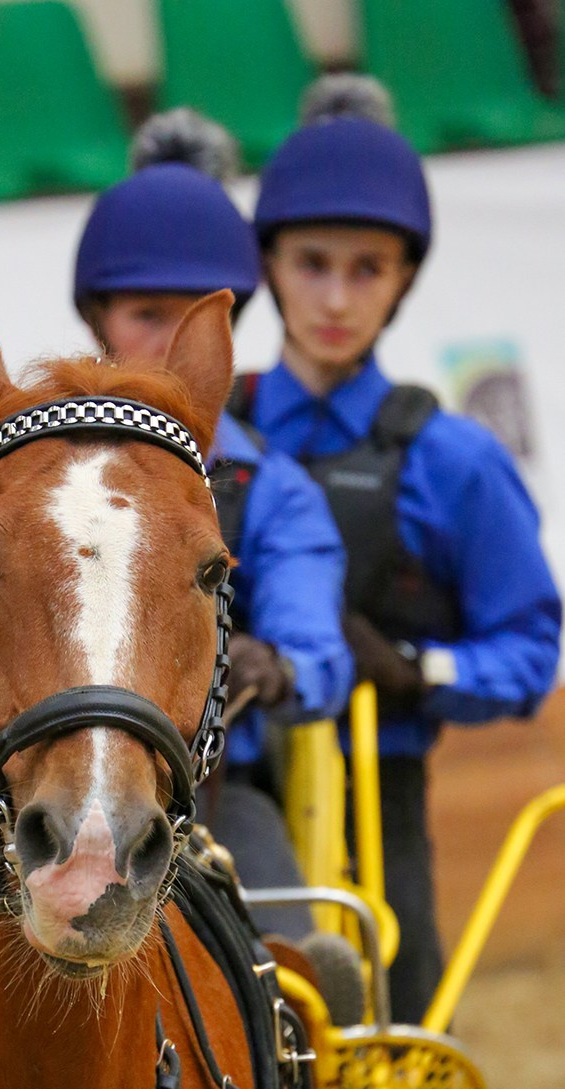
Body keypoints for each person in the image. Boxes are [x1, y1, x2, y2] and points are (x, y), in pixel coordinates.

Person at [236, 77, 562, 1020]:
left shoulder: (452, 459)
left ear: (404, 277)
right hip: (228, 794)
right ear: (267, 265)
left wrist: (416, 668)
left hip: (380, 810)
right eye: (311, 263)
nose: (336, 298)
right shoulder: (215, 434)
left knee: (400, 1067)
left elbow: (529, 646)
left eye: (367, 268)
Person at [56, 111, 353, 942]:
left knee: (298, 965)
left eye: (199, 321)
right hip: (43, 785)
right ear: (98, 320)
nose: (170, 346)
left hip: (214, 794)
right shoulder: (31, 471)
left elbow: (317, 650)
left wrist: (281, 665)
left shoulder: (273, 491)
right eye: (148, 314)